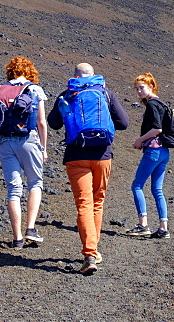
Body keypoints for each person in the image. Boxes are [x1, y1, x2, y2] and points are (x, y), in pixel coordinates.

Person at [47, 63, 129, 274]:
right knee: (97, 202)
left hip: (76, 156)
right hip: (102, 155)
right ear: (93, 76)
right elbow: (123, 123)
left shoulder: (68, 93)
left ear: (75, 76)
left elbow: (53, 123)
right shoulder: (106, 92)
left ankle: (89, 254)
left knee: (84, 203)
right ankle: (94, 250)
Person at [0, 56, 48, 249]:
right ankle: (30, 228)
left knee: (14, 189)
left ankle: (17, 239)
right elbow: (41, 122)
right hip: (28, 140)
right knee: (35, 182)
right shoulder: (34, 89)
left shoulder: (1, 89)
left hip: (5, 142)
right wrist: (44, 148)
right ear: (30, 71)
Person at [126, 72, 171, 239]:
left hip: (153, 150)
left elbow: (157, 129)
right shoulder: (161, 104)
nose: (138, 91)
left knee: (137, 185)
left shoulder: (152, 105)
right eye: (136, 88)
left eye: (142, 87)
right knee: (157, 189)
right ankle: (163, 228)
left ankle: (143, 224)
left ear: (151, 86)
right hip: (164, 151)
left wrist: (140, 140)